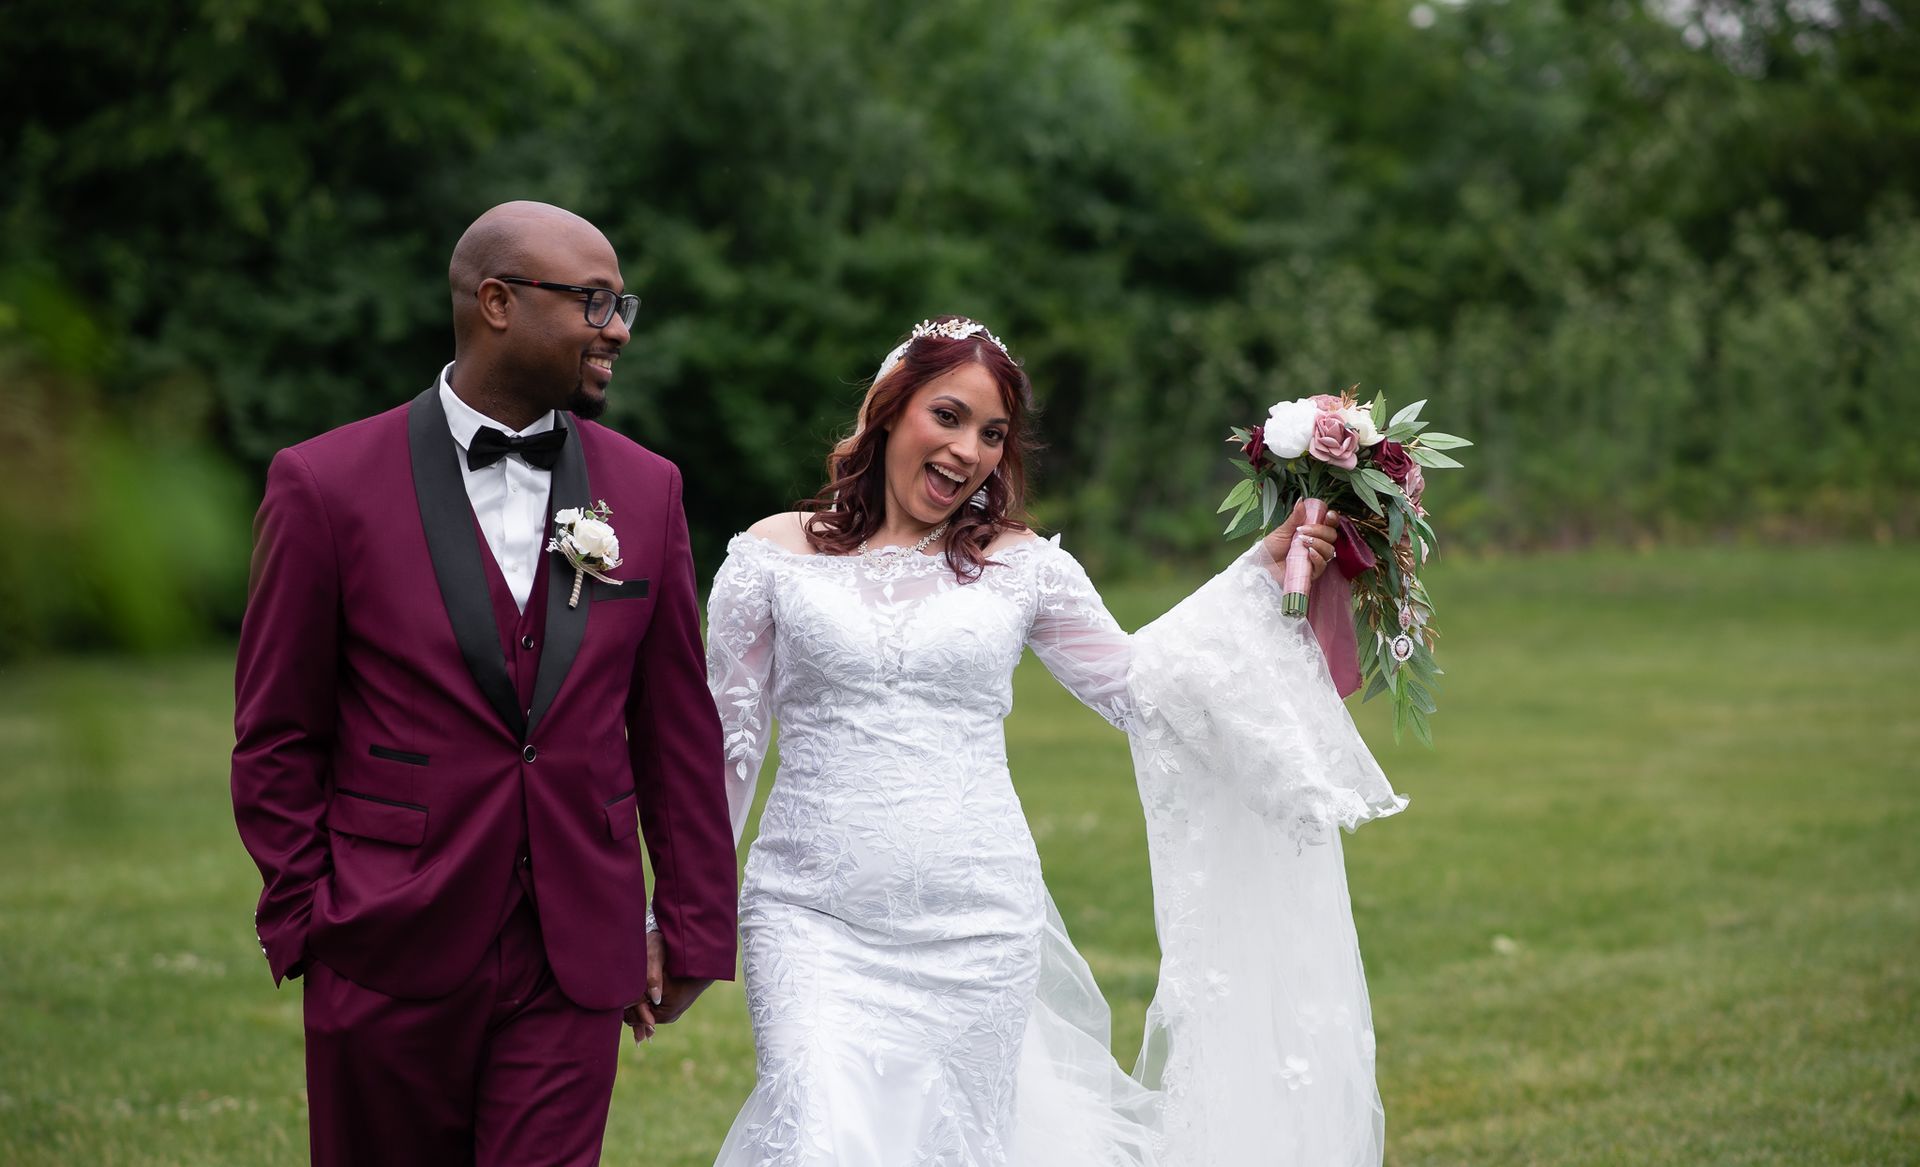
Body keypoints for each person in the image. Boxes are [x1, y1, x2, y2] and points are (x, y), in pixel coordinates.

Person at [703, 315, 1408, 1166]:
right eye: (949, 416)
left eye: (993, 434)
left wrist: (1262, 568)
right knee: (818, 1135)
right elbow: (728, 752)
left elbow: (1143, 689)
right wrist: (679, 915)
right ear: (890, 411)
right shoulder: (771, 556)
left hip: (979, 922)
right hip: (810, 917)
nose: (968, 451)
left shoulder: (1021, 565)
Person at [230, 201, 738, 1166]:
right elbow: (276, 731)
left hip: (573, 952)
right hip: (387, 939)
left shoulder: (646, 488)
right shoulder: (324, 484)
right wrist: (309, 917)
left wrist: (693, 924)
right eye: (594, 302)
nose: (619, 326)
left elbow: (674, 726)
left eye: (620, 302)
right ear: (497, 302)